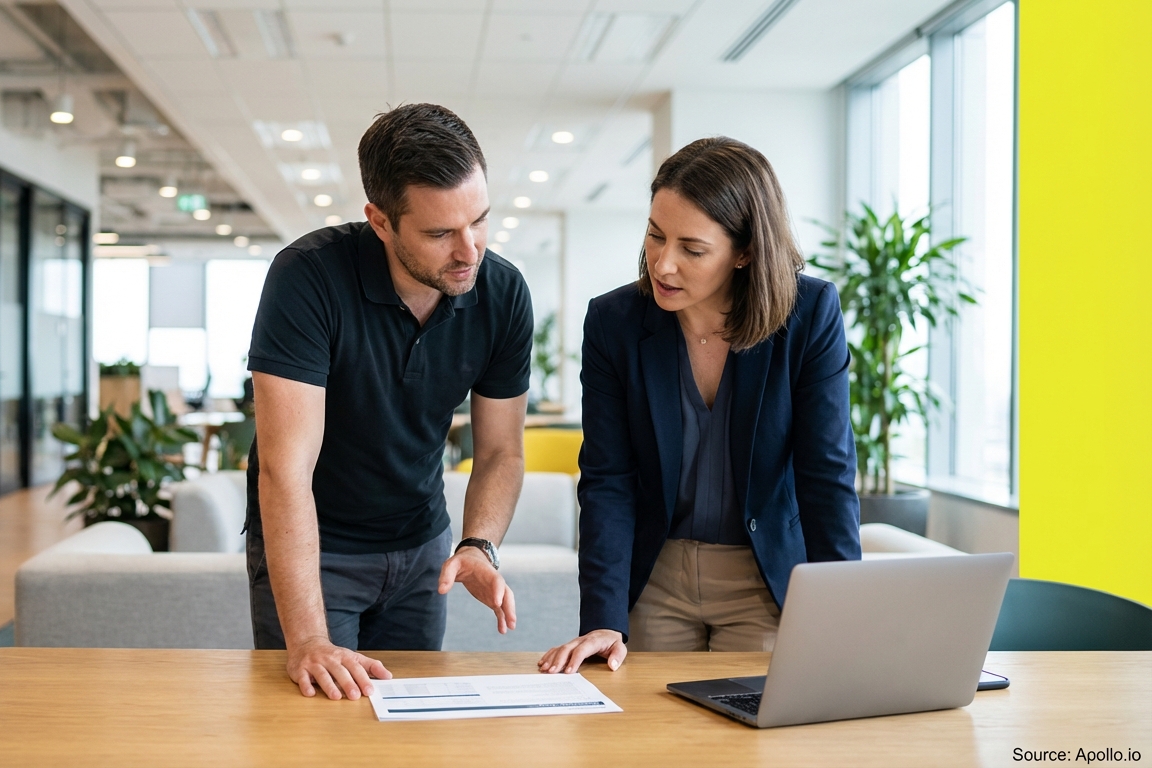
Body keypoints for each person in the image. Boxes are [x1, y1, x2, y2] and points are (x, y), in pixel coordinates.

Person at [540, 137, 860, 674]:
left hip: (762, 578)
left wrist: (843, 616)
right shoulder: (614, 323)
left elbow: (826, 475)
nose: (663, 265)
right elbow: (607, 478)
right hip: (655, 577)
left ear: (745, 251)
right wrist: (601, 617)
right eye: (654, 235)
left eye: (692, 249)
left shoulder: (809, 316)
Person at [246, 103, 533, 700]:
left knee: (412, 734)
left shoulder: (502, 293)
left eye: (479, 220)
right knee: (310, 730)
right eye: (438, 233)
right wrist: (306, 639)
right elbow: (285, 468)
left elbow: (503, 451)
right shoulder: (308, 278)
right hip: (317, 549)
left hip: (422, 550)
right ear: (379, 220)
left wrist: (479, 542)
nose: (469, 251)